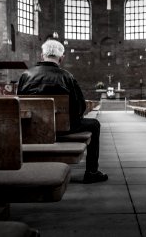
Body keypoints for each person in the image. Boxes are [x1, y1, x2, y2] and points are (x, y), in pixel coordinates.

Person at [17, 39, 108, 184]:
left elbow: (19, 104)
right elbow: (80, 107)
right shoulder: (67, 76)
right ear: (61, 58)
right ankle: (92, 172)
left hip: (33, 129)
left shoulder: (26, 75)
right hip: (65, 129)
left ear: (42, 55)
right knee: (94, 124)